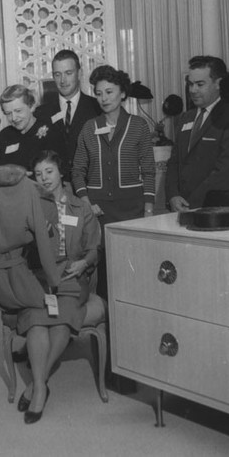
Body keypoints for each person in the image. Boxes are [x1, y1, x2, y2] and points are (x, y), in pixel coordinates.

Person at [14, 150, 100, 424]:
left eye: (49, 172)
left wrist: (84, 264)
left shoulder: (80, 207)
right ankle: (41, 386)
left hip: (72, 276)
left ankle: (35, 386)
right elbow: (20, 248)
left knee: (61, 323)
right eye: (38, 174)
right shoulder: (31, 205)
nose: (44, 178)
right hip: (40, 276)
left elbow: (93, 248)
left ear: (61, 173)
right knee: (38, 323)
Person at [72, 64, 156, 297]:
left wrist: (148, 211)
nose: (103, 98)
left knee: (134, 271)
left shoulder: (138, 126)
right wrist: (86, 201)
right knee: (103, 275)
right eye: (98, 93)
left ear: (123, 93)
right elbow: (77, 170)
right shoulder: (89, 128)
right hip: (98, 212)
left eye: (109, 92)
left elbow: (149, 171)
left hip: (133, 210)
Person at [165, 55, 229, 211]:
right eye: (190, 84)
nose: (193, 90)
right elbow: (174, 162)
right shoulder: (185, 118)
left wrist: (191, 203)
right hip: (182, 209)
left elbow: (226, 172)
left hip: (215, 211)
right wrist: (173, 196)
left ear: (218, 84)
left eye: (200, 84)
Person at [34, 49, 101, 176]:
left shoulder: (97, 108)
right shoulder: (41, 113)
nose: (63, 80)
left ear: (79, 73)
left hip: (91, 184)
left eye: (68, 73)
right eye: (58, 74)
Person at [0, 84, 67, 173]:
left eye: (18, 111)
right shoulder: (5, 135)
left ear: (31, 107)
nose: (14, 118)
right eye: (8, 113)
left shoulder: (50, 131)